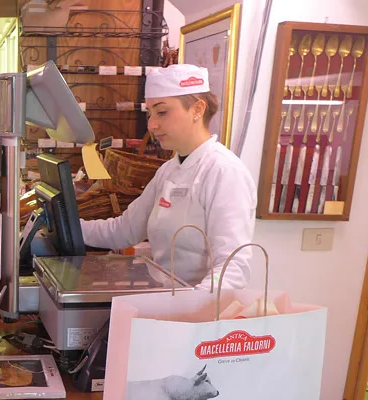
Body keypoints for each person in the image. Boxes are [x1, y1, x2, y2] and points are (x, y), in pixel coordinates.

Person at [81, 65, 257, 289]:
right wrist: (66, 227)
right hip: (163, 296)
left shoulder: (224, 172)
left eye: (162, 112)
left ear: (197, 109)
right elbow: (124, 230)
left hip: (195, 306)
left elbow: (232, 267)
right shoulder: (168, 170)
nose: (151, 125)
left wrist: (190, 304)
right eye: (150, 113)